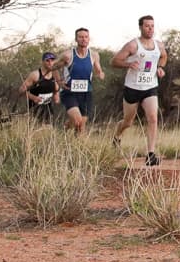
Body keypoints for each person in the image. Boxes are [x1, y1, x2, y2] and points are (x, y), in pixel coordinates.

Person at [112, 15, 166, 166]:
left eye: (152, 26)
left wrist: (160, 68)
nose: (150, 29)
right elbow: (114, 61)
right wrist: (128, 64)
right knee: (128, 121)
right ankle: (117, 135)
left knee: (153, 117)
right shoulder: (132, 45)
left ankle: (151, 154)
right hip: (132, 88)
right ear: (141, 27)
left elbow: (163, 57)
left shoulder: (159, 45)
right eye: (147, 26)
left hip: (150, 87)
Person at [60, 27, 105, 135]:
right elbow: (53, 67)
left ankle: (75, 145)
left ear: (89, 39)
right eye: (80, 37)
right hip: (69, 92)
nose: (83, 39)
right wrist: (58, 81)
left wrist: (100, 74)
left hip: (86, 92)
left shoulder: (94, 55)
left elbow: (98, 69)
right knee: (78, 121)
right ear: (76, 39)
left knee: (81, 125)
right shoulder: (68, 55)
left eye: (86, 37)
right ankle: (65, 130)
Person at [20, 53, 61, 123]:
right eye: (47, 60)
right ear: (42, 62)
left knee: (47, 131)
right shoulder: (35, 75)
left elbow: (56, 90)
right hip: (34, 110)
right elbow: (21, 90)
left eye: (52, 60)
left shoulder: (55, 75)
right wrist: (33, 98)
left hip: (48, 110)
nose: (50, 63)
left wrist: (56, 97)